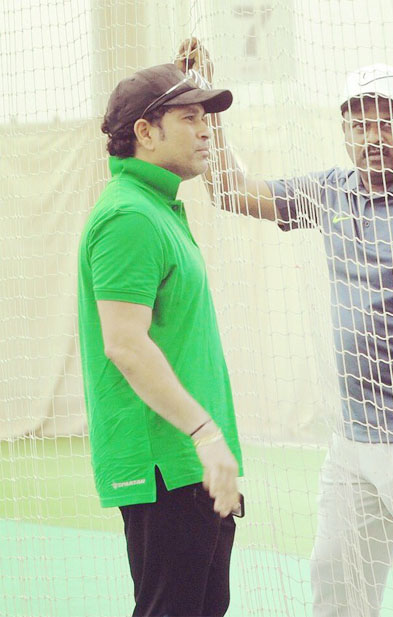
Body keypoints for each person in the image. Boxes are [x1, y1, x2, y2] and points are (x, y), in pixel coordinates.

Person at [177, 41, 393, 617]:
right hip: (352, 442)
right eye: (357, 124)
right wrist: (210, 112)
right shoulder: (330, 190)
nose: (370, 138)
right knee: (335, 585)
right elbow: (233, 192)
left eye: (385, 123)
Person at [77, 63, 244, 617]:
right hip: (167, 463)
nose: (204, 131)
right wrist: (203, 433)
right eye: (190, 118)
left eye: (206, 118)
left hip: (190, 461)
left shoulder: (156, 206)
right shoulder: (128, 216)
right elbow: (124, 344)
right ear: (145, 133)